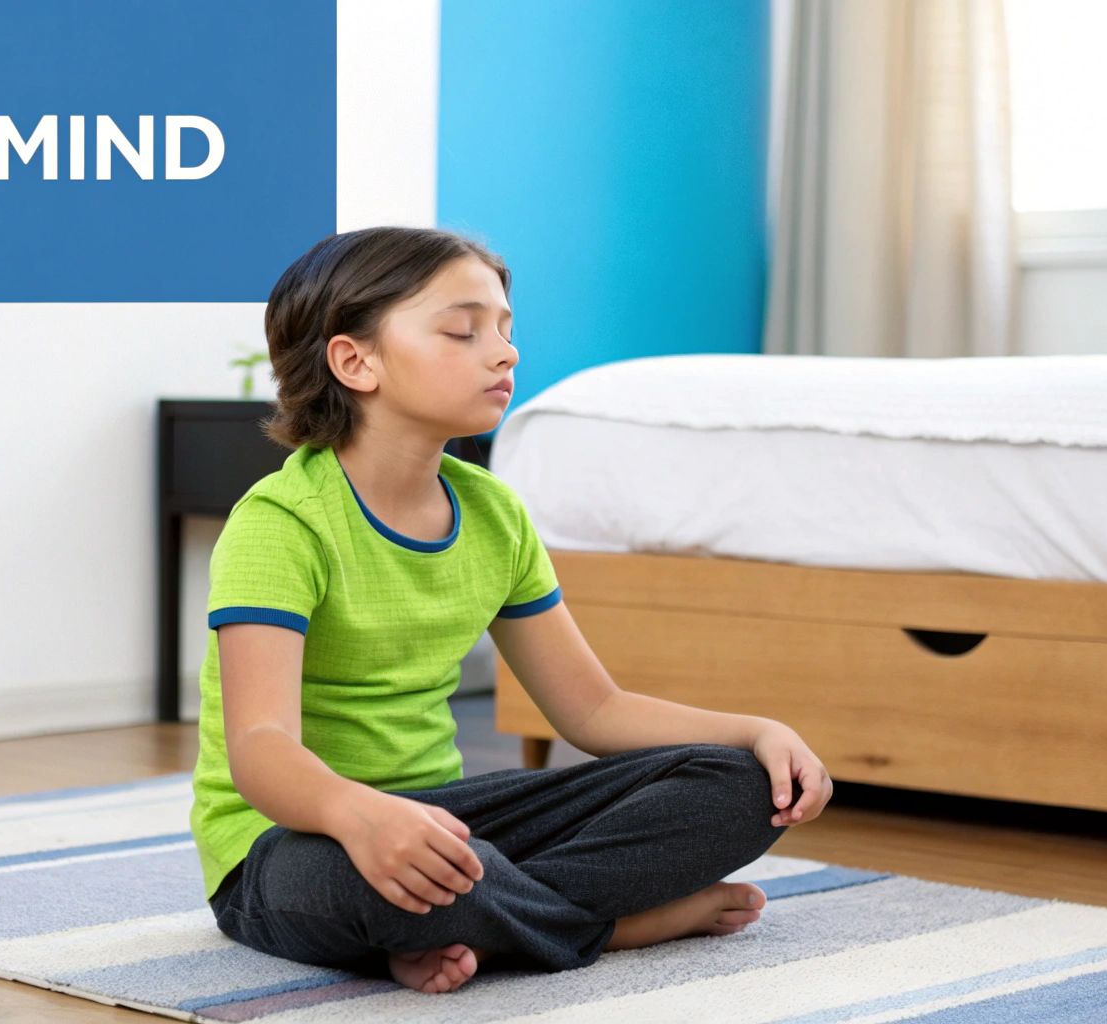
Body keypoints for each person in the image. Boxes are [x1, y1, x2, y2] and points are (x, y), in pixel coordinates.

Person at [189, 226, 833, 994]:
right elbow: (259, 748)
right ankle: (613, 924)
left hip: (454, 827)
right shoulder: (281, 522)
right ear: (354, 360)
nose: (505, 353)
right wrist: (361, 818)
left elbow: (593, 709)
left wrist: (757, 732)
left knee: (743, 786)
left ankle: (493, 923)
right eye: (463, 331)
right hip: (290, 841)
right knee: (370, 886)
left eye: (504, 329)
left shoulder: (494, 513)